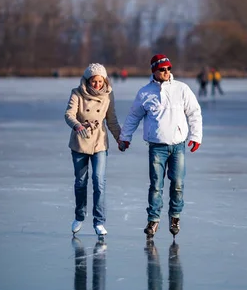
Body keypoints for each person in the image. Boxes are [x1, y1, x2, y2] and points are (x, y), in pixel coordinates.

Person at [118, 54, 202, 238]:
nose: (166, 72)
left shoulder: (182, 89)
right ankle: (153, 220)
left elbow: (194, 112)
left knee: (178, 184)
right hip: (156, 147)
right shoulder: (145, 92)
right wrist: (125, 137)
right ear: (154, 71)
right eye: (162, 69)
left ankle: (175, 216)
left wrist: (196, 136)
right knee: (156, 185)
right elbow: (134, 116)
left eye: (169, 69)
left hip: (178, 146)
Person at [65, 63, 121, 236]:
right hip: (80, 142)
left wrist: (120, 138)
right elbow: (69, 115)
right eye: (93, 81)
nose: (97, 85)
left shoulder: (108, 95)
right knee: (81, 182)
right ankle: (80, 216)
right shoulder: (77, 93)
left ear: (104, 80)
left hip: (99, 143)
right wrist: (77, 126)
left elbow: (111, 120)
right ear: (87, 80)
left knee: (99, 181)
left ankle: (99, 221)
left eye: (100, 81)